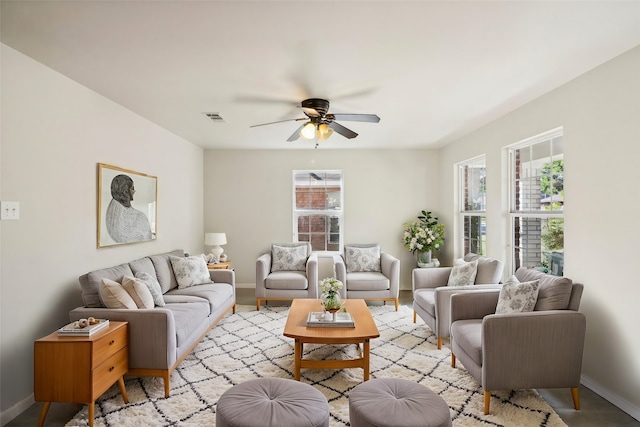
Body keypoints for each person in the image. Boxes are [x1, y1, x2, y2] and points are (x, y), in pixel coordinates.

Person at [105, 174, 153, 243]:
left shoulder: (112, 211)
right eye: (132, 188)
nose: (134, 191)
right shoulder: (140, 217)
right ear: (125, 192)